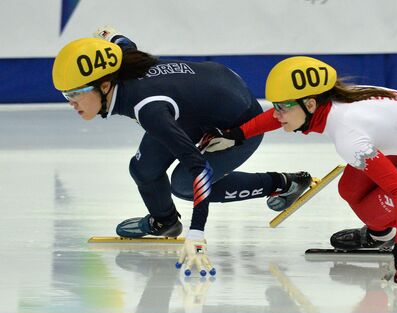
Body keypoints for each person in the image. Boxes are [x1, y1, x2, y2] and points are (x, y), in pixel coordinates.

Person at [202, 56, 397, 284]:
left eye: (282, 107)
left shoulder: (349, 136)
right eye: (276, 107)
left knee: (374, 213)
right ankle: (381, 235)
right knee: (349, 188)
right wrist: (237, 135)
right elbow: (285, 114)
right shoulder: (335, 99)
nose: (276, 115)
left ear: (311, 103)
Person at [51, 29, 312, 275]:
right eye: (66, 95)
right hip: (202, 102)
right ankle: (164, 221)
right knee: (143, 168)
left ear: (105, 86)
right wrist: (108, 35)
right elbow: (121, 43)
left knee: (185, 185)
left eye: (76, 93)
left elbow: (199, 168)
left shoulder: (149, 109)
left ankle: (284, 183)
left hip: (239, 124)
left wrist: (196, 233)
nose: (71, 102)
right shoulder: (122, 63)